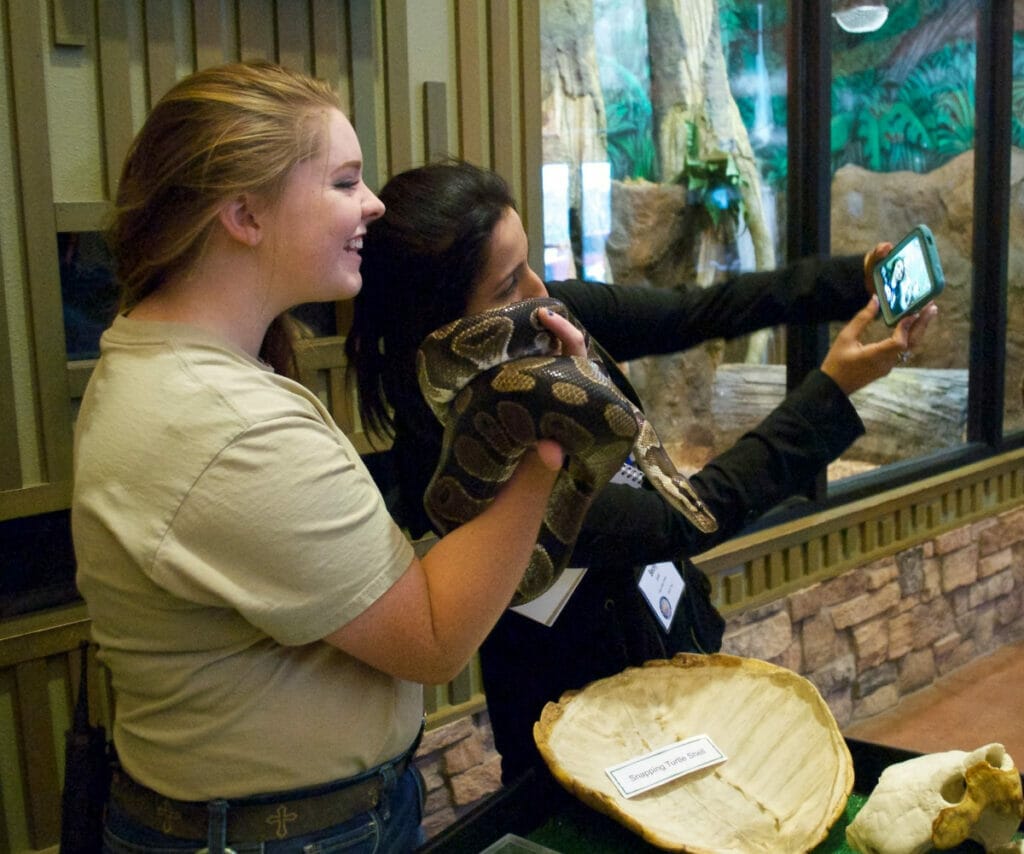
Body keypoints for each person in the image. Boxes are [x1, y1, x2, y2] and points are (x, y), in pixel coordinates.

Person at [71, 63, 585, 854]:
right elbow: (435, 640)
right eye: (345, 181)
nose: (374, 204)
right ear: (244, 213)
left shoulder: (177, 362)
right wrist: (546, 442)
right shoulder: (228, 426)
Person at [347, 159, 937, 788]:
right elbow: (687, 514)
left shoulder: (547, 316)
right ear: (448, 330)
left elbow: (698, 311)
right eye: (505, 288)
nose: (539, 292)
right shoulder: (474, 464)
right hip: (583, 723)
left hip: (672, 651)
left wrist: (854, 280)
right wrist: (833, 390)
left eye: (529, 262)